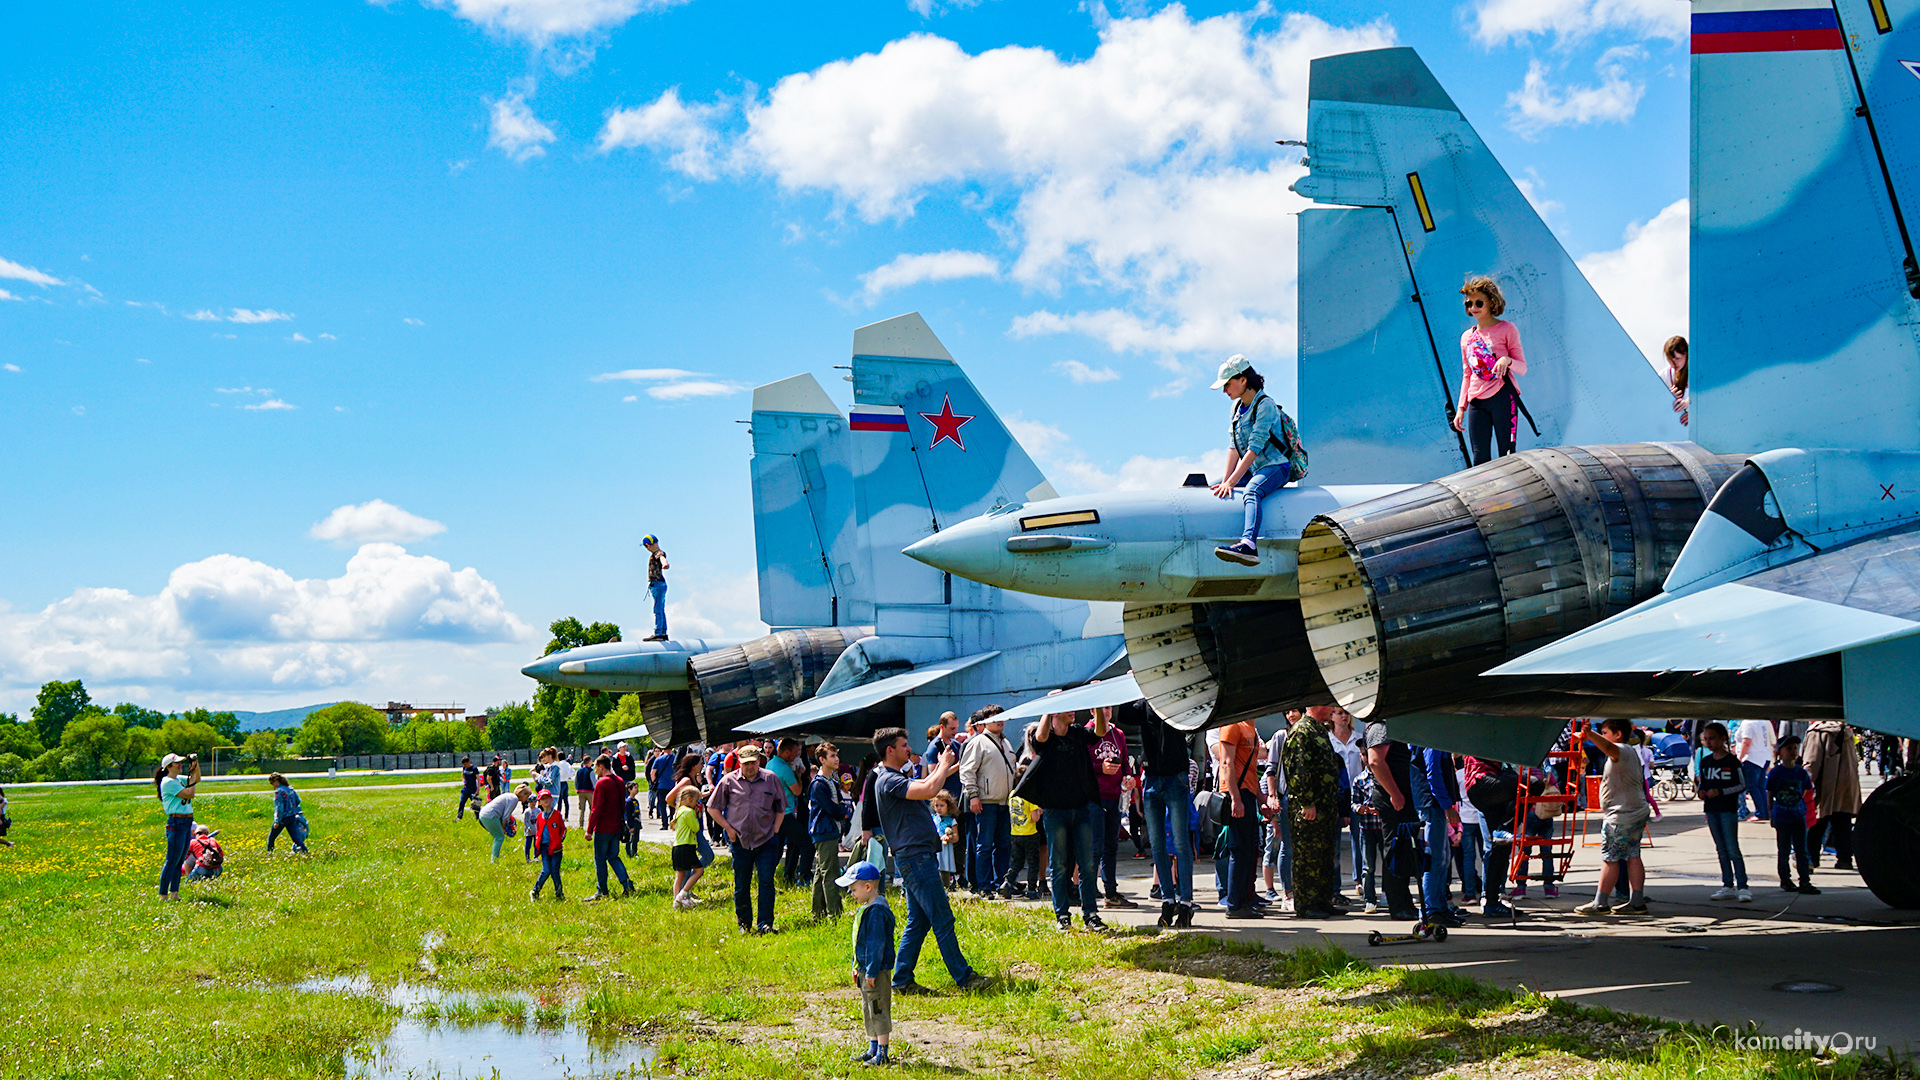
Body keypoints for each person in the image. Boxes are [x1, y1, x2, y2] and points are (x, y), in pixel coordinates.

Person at [870, 727, 989, 992]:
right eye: (903, 745)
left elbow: (929, 784)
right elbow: (928, 789)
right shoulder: (889, 780)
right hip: (916, 858)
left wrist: (946, 769)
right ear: (890, 750)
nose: (909, 749)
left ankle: (901, 980)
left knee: (920, 920)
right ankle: (965, 979)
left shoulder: (893, 777)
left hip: (917, 857)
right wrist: (943, 764)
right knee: (942, 918)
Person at [1209, 354, 1305, 566]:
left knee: (1253, 490)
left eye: (1227, 385)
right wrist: (1225, 482)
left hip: (1276, 466)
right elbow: (1234, 447)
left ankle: (1249, 545)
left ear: (1243, 380)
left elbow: (1254, 448)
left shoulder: (1265, 405)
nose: (1225, 391)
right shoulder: (1236, 409)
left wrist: (1232, 482)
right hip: (1255, 468)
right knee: (1214, 486)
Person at [1025, 707, 1110, 931]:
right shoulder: (1046, 736)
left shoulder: (1078, 733)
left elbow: (1100, 732)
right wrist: (1049, 705)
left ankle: (1091, 914)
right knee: (1059, 865)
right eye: (1067, 709)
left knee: (1088, 864)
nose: (1073, 712)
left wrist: (1099, 706)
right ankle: (1062, 916)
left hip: (1081, 809)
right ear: (1055, 713)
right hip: (1055, 811)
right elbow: (1040, 738)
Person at [1575, 719, 1651, 916]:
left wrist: (1590, 734)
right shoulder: (1628, 751)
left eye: (1605, 732)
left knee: (1611, 858)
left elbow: (1608, 747)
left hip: (1622, 815)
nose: (1602, 737)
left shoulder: (1621, 750)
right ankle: (1636, 901)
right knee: (1633, 855)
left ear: (1618, 734)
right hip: (1634, 811)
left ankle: (1600, 902)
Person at [708, 744, 787, 933]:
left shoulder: (771, 779)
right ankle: (744, 923)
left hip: (766, 840)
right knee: (742, 883)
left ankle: (765, 924)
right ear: (739, 764)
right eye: (745, 764)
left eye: (753, 763)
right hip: (740, 841)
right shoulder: (728, 781)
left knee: (766, 882)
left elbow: (781, 807)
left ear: (759, 761)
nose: (749, 767)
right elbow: (713, 808)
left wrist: (775, 829)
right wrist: (728, 829)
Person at [1452, 276, 1527, 465]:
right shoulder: (1467, 337)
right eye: (1469, 304)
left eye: (1479, 303)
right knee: (1480, 458)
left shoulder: (1508, 329)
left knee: (1508, 454)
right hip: (1477, 402)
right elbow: (1467, 374)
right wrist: (1461, 409)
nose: (1473, 308)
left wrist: (1507, 360)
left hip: (1503, 397)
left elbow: (1522, 368)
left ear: (1492, 302)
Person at [1136, 702, 1196, 928]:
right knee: (1158, 845)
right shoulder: (1143, 705)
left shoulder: (1173, 700)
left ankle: (1186, 903)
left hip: (1174, 776)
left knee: (1180, 843)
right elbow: (1126, 713)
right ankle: (1168, 900)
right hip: (1153, 777)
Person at [1285, 708, 1347, 919]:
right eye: (1327, 704)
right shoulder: (1301, 731)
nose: (1331, 709)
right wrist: (1306, 802)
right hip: (1310, 807)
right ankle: (1306, 904)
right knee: (1307, 857)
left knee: (1324, 855)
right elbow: (1298, 770)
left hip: (1326, 807)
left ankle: (1322, 900)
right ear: (1314, 706)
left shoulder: (1319, 730)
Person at [1363, 722, 1421, 921]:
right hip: (1394, 798)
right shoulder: (1382, 726)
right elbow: (1376, 761)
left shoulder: (1393, 725)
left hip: (1402, 796)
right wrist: (1394, 793)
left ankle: (1404, 902)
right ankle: (1398, 905)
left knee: (1404, 848)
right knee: (1395, 848)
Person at [841, 860, 896, 1066]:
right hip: (865, 970)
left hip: (876, 971)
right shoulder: (868, 908)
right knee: (868, 1008)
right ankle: (873, 1047)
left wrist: (871, 971)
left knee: (878, 1009)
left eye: (853, 889)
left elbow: (876, 945)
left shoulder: (876, 912)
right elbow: (860, 943)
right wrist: (857, 967)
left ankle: (882, 1052)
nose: (851, 894)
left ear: (867, 887)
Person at [959, 704, 1016, 899]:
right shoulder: (979, 742)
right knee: (984, 844)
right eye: (995, 717)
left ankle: (1002, 882)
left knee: (1003, 844)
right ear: (985, 721)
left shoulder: (1006, 742)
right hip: (986, 802)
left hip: (1004, 803)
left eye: (1002, 717)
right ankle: (984, 885)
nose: (1000, 720)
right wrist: (973, 795)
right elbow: (967, 771)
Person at [1696, 722, 1752, 902]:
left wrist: (1721, 792)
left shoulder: (1732, 761)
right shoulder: (1705, 762)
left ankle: (1743, 885)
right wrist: (1701, 792)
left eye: (1712, 738)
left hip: (1727, 809)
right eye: (1706, 739)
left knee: (1732, 848)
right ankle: (1727, 884)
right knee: (1721, 849)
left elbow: (1741, 785)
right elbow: (1702, 784)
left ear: (1723, 739)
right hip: (1711, 809)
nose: (1709, 742)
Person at [1085, 708, 1134, 907]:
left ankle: (1111, 892)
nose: (1105, 712)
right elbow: (1082, 765)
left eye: (1108, 708)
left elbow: (1124, 762)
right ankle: (1087, 893)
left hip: (1114, 796)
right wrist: (1100, 768)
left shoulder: (1118, 734)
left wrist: (1128, 777)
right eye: (1101, 708)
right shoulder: (1087, 732)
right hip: (1094, 798)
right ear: (1092, 710)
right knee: (1094, 846)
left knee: (1111, 846)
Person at [1805, 719, 1863, 871]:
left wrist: (1805, 782)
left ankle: (1812, 859)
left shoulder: (1818, 732)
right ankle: (1845, 859)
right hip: (1846, 785)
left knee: (1816, 822)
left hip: (1826, 785)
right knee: (1842, 824)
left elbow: (1812, 760)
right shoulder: (1847, 732)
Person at [1766, 736, 1820, 894]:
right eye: (1789, 748)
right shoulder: (1776, 773)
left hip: (1798, 816)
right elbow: (1770, 793)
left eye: (1795, 748)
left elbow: (1804, 791)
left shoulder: (1801, 773)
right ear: (1780, 753)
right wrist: (1771, 814)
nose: (1793, 752)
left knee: (1801, 850)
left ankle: (1804, 881)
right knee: (1783, 850)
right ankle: (1785, 880)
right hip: (1782, 816)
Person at [584, 757, 636, 901]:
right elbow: (623, 803)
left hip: (603, 828)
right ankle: (627, 884)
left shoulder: (602, 783)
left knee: (600, 859)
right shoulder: (619, 780)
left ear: (601, 766)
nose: (595, 770)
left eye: (596, 767)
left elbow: (596, 808)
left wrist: (589, 829)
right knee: (613, 856)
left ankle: (602, 891)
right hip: (616, 826)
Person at [810, 743, 852, 919]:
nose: (837, 759)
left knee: (821, 872)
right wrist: (843, 811)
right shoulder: (818, 784)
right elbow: (833, 809)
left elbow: (838, 806)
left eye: (837, 755)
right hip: (824, 831)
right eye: (832, 756)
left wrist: (841, 810)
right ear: (822, 760)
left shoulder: (833, 782)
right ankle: (835, 913)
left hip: (832, 831)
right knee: (831, 873)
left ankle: (817, 913)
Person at [155, 753, 200, 900]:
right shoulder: (168, 782)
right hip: (176, 823)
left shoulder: (177, 780)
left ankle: (174, 893)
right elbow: (189, 794)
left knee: (179, 860)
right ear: (168, 767)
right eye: (177, 763)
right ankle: (162, 895)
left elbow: (196, 779)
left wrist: (195, 766)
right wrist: (192, 774)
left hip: (186, 822)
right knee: (171, 861)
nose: (180, 765)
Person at [768, 738, 810, 886]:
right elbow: (797, 791)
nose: (796, 756)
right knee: (806, 843)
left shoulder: (770, 763)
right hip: (785, 813)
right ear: (786, 752)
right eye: (794, 753)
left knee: (780, 847)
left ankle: (777, 876)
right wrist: (798, 775)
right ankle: (804, 877)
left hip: (773, 812)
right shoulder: (785, 769)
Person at [1261, 712, 1293, 908]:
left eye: (1295, 711)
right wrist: (1272, 796)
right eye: (1288, 712)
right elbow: (1271, 769)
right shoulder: (1281, 736)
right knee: (1283, 846)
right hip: (1286, 796)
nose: (1291, 715)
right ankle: (1287, 892)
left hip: (1305, 797)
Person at [670, 787, 706, 909]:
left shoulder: (679, 810)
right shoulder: (689, 812)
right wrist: (696, 815)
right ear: (690, 799)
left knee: (679, 876)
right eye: (696, 801)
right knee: (699, 870)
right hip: (687, 847)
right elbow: (696, 828)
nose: (697, 804)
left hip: (677, 847)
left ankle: (676, 901)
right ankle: (684, 893)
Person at [530, 789, 567, 902]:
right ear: (539, 802)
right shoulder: (540, 816)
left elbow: (563, 830)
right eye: (543, 799)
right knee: (546, 870)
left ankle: (559, 894)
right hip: (544, 848)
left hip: (556, 848)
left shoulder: (557, 815)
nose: (546, 800)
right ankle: (535, 891)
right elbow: (538, 832)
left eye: (547, 798)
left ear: (551, 799)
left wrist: (559, 840)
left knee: (555, 871)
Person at [1735, 719, 1776, 822]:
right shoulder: (1761, 721)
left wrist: (1740, 758)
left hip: (1752, 758)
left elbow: (1746, 742)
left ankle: (1760, 812)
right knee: (1761, 786)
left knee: (1752, 787)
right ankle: (1765, 811)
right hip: (1763, 756)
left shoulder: (1748, 723)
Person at [477, 784, 530, 864]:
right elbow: (506, 816)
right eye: (527, 796)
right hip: (490, 816)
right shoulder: (514, 799)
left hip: (484, 814)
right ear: (523, 794)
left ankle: (494, 859)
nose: (527, 799)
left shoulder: (510, 796)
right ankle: (494, 861)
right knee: (499, 837)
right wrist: (502, 828)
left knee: (498, 836)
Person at [1007, 792, 1044, 899]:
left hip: (1015, 833)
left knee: (1017, 862)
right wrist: (1039, 811)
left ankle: (1007, 881)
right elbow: (1035, 818)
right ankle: (1032, 889)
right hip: (1030, 834)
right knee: (1033, 863)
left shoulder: (1012, 794)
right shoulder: (1030, 796)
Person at [266, 773, 309, 854]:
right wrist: (292, 809)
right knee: (295, 838)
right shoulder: (290, 789)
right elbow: (298, 800)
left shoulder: (279, 791)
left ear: (276, 781)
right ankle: (305, 851)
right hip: (292, 817)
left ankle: (269, 853)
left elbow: (279, 807)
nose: (272, 785)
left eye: (272, 783)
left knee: (272, 837)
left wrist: (277, 821)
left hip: (283, 818)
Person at [643, 534, 670, 641]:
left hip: (657, 584)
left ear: (648, 545)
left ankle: (659, 633)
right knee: (660, 609)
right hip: (659, 584)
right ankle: (663, 632)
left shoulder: (658, 553)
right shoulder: (656, 553)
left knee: (657, 609)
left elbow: (662, 558)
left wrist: (665, 564)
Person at [932, 791, 961, 886]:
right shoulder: (933, 818)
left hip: (945, 848)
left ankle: (946, 885)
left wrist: (949, 838)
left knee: (945, 866)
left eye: (942, 805)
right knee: (934, 866)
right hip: (934, 846)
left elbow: (956, 837)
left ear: (948, 806)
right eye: (937, 805)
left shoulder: (951, 821)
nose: (939, 808)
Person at [1664, 335, 1689, 426]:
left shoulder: (1698, 375)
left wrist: (1694, 412)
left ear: (1686, 354)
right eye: (1670, 360)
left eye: (1677, 359)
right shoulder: (1665, 375)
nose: (1673, 364)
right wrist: (1666, 397)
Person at [574, 755, 597, 828]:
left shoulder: (579, 771)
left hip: (580, 791)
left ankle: (581, 824)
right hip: (589, 791)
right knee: (591, 808)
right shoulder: (591, 771)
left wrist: (576, 788)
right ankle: (590, 824)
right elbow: (593, 781)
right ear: (589, 762)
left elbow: (575, 780)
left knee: (582, 808)